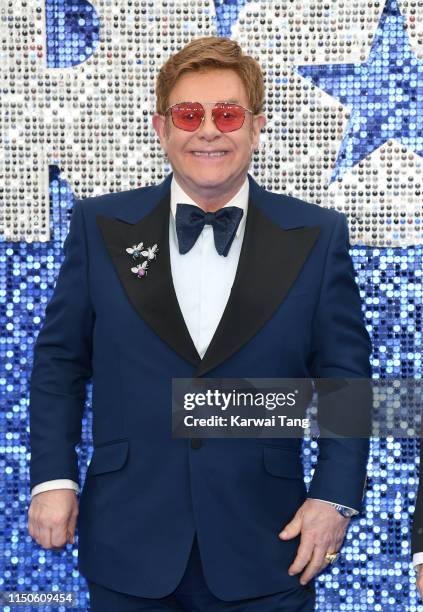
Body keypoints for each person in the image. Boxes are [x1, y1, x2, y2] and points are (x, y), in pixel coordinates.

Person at [27, 36, 372, 611]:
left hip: (269, 543)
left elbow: (349, 381)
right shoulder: (98, 226)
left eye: (228, 113)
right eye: (189, 114)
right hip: (126, 541)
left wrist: (335, 498)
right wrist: (52, 479)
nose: (208, 130)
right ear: (163, 128)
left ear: (256, 127)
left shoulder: (318, 236)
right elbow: (59, 363)